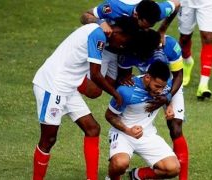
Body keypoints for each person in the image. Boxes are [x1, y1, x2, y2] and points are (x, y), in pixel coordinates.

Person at [31, 17, 139, 180]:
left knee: (93, 129)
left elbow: (92, 18)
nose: (123, 45)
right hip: (52, 85)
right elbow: (95, 75)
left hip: (68, 86)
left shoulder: (101, 30)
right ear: (118, 32)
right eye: (125, 40)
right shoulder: (98, 35)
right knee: (48, 139)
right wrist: (116, 94)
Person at [117, 35, 189, 180]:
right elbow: (124, 77)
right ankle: (125, 155)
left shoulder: (169, 46)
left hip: (172, 85)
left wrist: (168, 100)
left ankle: (182, 177)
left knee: (175, 127)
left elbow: (178, 76)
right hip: (151, 85)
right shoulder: (130, 52)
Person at [78, 0, 180, 97]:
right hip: (104, 48)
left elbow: (177, 4)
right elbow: (85, 16)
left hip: (121, 52)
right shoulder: (114, 7)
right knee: (94, 91)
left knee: (114, 85)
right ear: (136, 15)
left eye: (150, 26)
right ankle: (71, 78)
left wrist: (162, 30)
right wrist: (100, 21)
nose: (146, 30)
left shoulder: (157, 11)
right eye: (144, 26)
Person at [105, 61, 180, 180]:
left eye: (163, 87)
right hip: (123, 134)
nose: (160, 91)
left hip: (148, 134)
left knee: (173, 168)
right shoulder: (126, 91)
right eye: (157, 86)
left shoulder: (165, 85)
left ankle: (137, 175)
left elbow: (169, 91)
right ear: (147, 78)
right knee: (120, 164)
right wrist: (128, 130)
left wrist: (169, 106)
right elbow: (109, 115)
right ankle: (111, 177)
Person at [177, 0, 212, 100]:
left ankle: (203, 85)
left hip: (208, 3)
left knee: (208, 38)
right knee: (184, 38)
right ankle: (187, 61)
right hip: (186, 2)